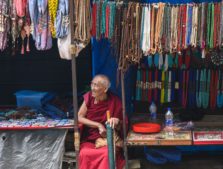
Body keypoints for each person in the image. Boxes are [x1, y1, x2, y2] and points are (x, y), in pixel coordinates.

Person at [78, 74, 127, 169]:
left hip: (108, 140)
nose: (92, 88)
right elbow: (79, 117)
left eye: (96, 85)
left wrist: (116, 121)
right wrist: (98, 125)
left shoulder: (114, 101)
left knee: (107, 154)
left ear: (105, 89)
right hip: (90, 139)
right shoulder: (89, 97)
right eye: (92, 84)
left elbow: (122, 124)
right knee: (84, 153)